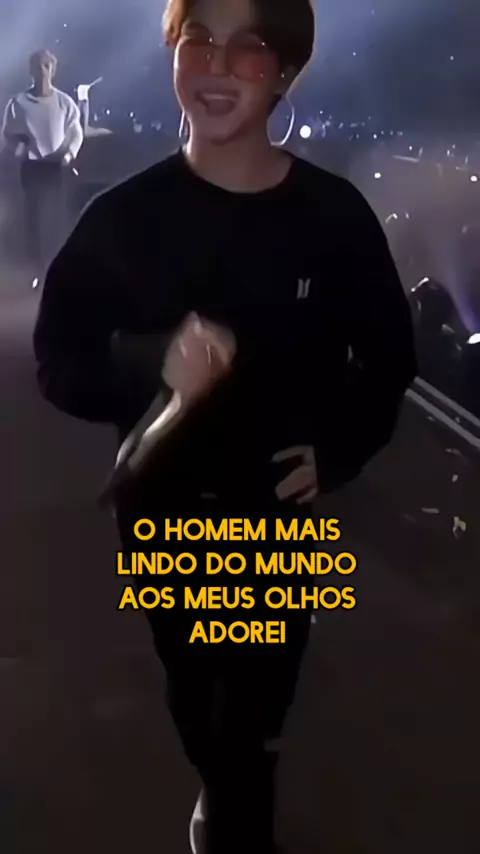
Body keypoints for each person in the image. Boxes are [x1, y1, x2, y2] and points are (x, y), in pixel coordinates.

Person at [33, 0, 417, 851]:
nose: (216, 67)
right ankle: (225, 786)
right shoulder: (122, 218)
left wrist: (339, 449)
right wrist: (151, 364)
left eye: (249, 50)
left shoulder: (333, 217)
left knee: (258, 700)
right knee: (191, 681)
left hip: (276, 512)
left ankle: (239, 812)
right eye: (199, 40)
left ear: (286, 72)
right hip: (163, 508)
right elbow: (58, 359)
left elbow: (389, 359)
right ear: (173, 53)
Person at [1, 49, 83, 283]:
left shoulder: (64, 102)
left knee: (56, 218)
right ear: (30, 71)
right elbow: (9, 133)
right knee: (34, 219)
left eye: (47, 66)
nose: (43, 71)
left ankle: (58, 269)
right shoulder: (18, 103)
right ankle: (38, 270)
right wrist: (18, 149)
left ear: (53, 70)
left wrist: (70, 153)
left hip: (56, 167)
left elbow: (75, 131)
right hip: (32, 167)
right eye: (38, 66)